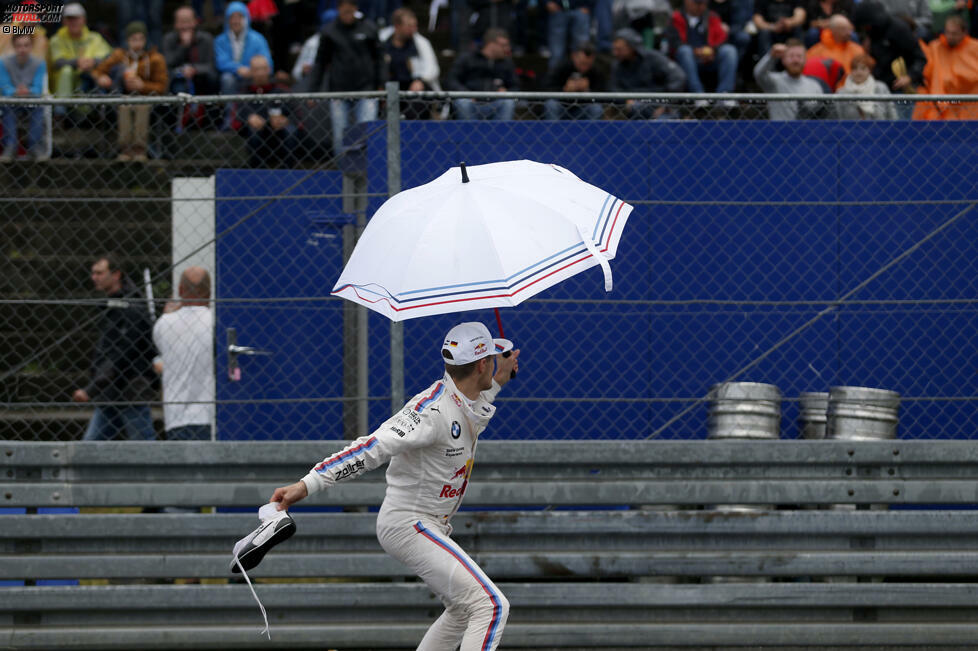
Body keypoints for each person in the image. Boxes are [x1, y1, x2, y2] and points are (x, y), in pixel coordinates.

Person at [270, 322, 520, 651]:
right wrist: (308, 484)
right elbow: (370, 448)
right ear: (482, 364)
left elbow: (475, 401)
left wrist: (498, 378)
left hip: (427, 524)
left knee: (462, 609)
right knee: (491, 606)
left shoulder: (465, 394)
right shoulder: (429, 412)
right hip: (409, 524)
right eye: (491, 357)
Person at [72, 255, 158, 442]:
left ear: (116, 274)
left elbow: (122, 353)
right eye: (93, 273)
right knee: (92, 444)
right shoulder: (114, 305)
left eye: (100, 273)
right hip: (112, 390)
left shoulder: (131, 308)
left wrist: (93, 388)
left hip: (129, 388)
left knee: (143, 444)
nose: (94, 277)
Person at [309, 0, 385, 155]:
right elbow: (321, 62)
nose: (348, 15)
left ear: (356, 9)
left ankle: (367, 173)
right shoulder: (329, 31)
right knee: (340, 136)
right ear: (338, 10)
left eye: (350, 11)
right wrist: (312, 90)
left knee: (367, 132)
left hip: (366, 90)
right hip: (339, 90)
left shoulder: (369, 28)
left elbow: (379, 59)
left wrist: (381, 84)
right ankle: (343, 175)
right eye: (344, 11)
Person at [152, 267, 214, 441]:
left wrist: (169, 315)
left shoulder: (164, 324)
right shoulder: (216, 321)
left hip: (175, 416)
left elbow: (162, 357)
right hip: (208, 414)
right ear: (209, 291)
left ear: (180, 290)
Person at [93, 21, 168, 162]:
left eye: (140, 39)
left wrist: (142, 86)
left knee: (141, 106)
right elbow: (98, 71)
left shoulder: (155, 59)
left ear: (145, 40)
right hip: (124, 97)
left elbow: (162, 86)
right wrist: (102, 77)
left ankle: (140, 149)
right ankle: (125, 149)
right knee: (125, 106)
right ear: (127, 40)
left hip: (147, 98)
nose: (137, 43)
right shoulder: (119, 55)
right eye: (133, 39)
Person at [851, 0, 925, 117]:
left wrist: (910, 76)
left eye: (866, 26)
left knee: (900, 127)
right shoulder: (871, 33)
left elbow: (920, 57)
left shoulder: (899, 29)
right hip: (879, 87)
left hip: (900, 88)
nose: (865, 28)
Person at [666, 0, 739, 101]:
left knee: (729, 50)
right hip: (687, 61)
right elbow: (675, 44)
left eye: (704, 3)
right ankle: (698, 96)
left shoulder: (712, 16)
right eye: (697, 3)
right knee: (684, 51)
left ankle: (724, 96)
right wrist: (696, 51)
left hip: (711, 58)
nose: (701, 6)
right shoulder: (676, 17)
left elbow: (722, 39)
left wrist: (713, 50)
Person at [609, 27, 686, 119]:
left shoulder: (653, 58)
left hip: (660, 104)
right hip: (636, 107)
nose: (615, 53)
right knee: (636, 108)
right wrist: (625, 101)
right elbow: (614, 89)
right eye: (614, 49)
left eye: (619, 49)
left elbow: (678, 77)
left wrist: (667, 103)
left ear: (631, 47)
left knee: (664, 122)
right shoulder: (617, 65)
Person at [380, 7, 441, 119]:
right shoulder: (384, 42)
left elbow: (433, 68)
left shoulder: (421, 43)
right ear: (397, 26)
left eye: (415, 25)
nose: (414, 29)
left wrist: (421, 80)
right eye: (409, 26)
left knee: (418, 101)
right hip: (390, 89)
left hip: (414, 89)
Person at [912, 15, 978, 119]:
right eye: (947, 32)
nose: (950, 36)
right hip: (942, 103)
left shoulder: (974, 48)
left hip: (969, 105)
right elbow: (927, 70)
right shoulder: (935, 47)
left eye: (954, 33)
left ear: (964, 33)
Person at [447, 28, 519, 120]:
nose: (508, 49)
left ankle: (501, 133)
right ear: (491, 44)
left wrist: (506, 92)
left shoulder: (507, 63)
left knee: (508, 102)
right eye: (504, 45)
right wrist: (466, 93)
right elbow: (451, 80)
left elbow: (516, 86)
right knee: (463, 101)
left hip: (496, 103)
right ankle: (470, 133)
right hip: (471, 102)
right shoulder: (467, 58)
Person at [237, 54, 295, 167]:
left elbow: (294, 113)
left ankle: (288, 169)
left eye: (263, 69)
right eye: (256, 69)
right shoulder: (243, 92)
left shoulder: (281, 90)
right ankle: (257, 171)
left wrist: (285, 120)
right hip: (256, 134)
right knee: (253, 133)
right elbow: (237, 116)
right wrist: (248, 118)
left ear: (269, 69)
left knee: (291, 131)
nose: (260, 73)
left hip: (280, 133)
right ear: (251, 71)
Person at [47, 3, 111, 104]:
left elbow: (108, 57)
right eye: (70, 19)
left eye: (76, 18)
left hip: (89, 81)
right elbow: (57, 62)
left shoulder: (95, 38)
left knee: (98, 75)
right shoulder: (56, 39)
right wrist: (77, 62)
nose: (73, 22)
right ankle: (61, 109)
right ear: (64, 21)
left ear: (84, 20)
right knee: (66, 70)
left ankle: (97, 112)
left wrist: (93, 62)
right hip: (63, 86)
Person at [0, 33, 48, 161]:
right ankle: (10, 147)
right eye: (19, 45)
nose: (22, 49)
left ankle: (35, 147)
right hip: (12, 101)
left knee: (38, 106)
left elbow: (38, 88)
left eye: (26, 45)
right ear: (14, 47)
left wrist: (28, 91)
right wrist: (15, 92)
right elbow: (4, 86)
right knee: (7, 106)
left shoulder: (40, 63)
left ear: (31, 47)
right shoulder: (3, 62)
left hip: (31, 101)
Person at [753, 39, 826, 119]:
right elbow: (758, 74)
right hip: (778, 130)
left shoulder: (814, 86)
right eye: (791, 56)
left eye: (799, 56)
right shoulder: (774, 82)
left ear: (805, 60)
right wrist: (771, 56)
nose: (795, 60)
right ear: (783, 60)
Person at [214, 1, 273, 97]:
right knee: (227, 79)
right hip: (232, 75)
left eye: (239, 17)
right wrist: (238, 69)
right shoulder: (220, 40)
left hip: (253, 75)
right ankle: (231, 111)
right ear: (227, 20)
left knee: (262, 76)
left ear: (246, 19)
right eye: (232, 17)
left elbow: (267, 61)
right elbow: (221, 61)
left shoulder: (258, 38)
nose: (235, 21)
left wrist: (252, 70)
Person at [543, 40, 607, 119]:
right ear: (573, 56)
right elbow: (547, 88)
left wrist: (587, 90)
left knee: (596, 109)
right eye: (582, 63)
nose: (585, 68)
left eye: (588, 64)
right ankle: (554, 131)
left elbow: (603, 96)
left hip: (583, 109)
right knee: (551, 105)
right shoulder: (561, 66)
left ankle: (590, 132)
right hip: (561, 107)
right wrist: (564, 90)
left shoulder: (596, 71)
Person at [162, 5, 217, 96]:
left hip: (201, 78)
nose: (185, 26)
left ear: (195, 22)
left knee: (211, 79)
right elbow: (167, 63)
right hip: (177, 79)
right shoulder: (168, 39)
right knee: (178, 87)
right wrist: (183, 46)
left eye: (188, 21)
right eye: (181, 22)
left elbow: (210, 65)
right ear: (175, 24)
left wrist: (194, 69)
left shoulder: (206, 39)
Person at [805, 14, 864, 88]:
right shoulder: (816, 51)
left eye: (850, 29)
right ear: (833, 30)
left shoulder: (857, 50)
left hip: (852, 88)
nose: (849, 33)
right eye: (844, 29)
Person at [836, 52, 897, 118]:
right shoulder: (841, 93)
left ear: (869, 70)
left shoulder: (881, 88)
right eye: (855, 68)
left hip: (881, 128)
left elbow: (892, 114)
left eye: (863, 68)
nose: (859, 72)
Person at [546, 0, 594, 71]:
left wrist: (588, 5)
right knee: (557, 53)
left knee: (582, 52)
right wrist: (547, 2)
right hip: (558, 8)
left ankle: (580, 77)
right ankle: (553, 79)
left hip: (580, 8)